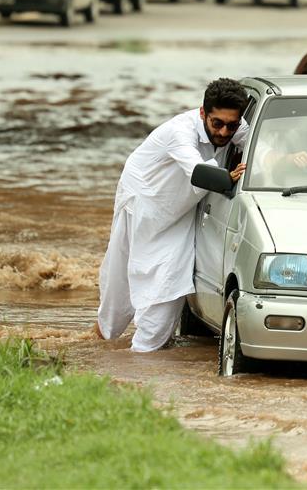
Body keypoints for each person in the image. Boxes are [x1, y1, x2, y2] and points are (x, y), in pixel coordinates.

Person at [96, 78, 250, 351]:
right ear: (203, 113)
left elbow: (259, 142)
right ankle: (101, 344)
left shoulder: (233, 127)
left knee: (166, 287)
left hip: (180, 211)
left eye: (232, 125)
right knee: (118, 287)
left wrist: (290, 155)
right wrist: (228, 177)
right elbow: (199, 173)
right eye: (218, 124)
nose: (225, 132)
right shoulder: (180, 132)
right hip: (143, 203)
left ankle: (141, 357)